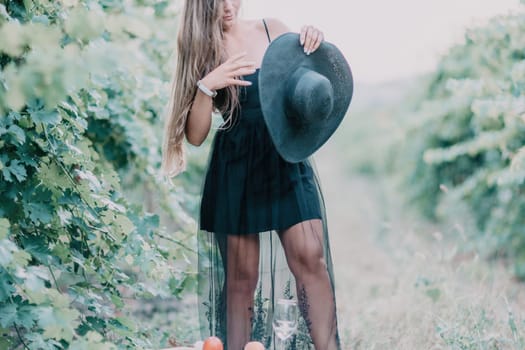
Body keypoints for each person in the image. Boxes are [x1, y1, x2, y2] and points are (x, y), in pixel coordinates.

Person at [161, 1, 342, 349]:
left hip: (286, 156)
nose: (227, 7)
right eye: (216, 2)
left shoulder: (273, 29)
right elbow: (195, 135)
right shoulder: (201, 46)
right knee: (242, 278)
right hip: (236, 164)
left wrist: (314, 39)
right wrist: (206, 86)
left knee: (310, 256)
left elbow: (310, 81)